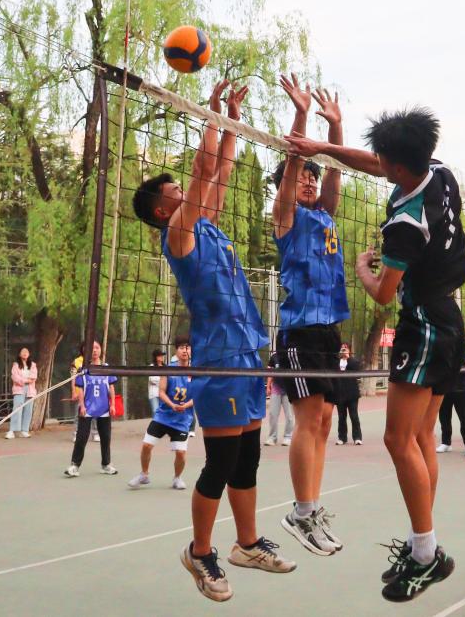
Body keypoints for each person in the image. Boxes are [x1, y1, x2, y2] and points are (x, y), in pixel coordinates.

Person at [286, 105, 465, 601]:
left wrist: (364, 268)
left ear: (397, 166)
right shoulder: (440, 174)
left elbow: (384, 293)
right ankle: (421, 543)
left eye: (383, 160)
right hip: (450, 320)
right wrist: (324, 147)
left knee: (397, 438)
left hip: (423, 325)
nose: (377, 163)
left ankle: (426, 555)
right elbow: (373, 162)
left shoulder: (405, 223)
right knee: (422, 436)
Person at [133, 81, 295, 602]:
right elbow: (204, 172)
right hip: (219, 358)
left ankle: (247, 544)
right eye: (172, 190)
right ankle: (200, 552)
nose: (181, 189)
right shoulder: (178, 234)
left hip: (248, 352)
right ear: (162, 210)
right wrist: (210, 116)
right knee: (221, 464)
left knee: (247, 458)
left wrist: (231, 119)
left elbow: (219, 171)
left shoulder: (207, 227)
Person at [272, 75, 349, 557]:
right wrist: (301, 116)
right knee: (307, 420)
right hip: (299, 330)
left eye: (311, 178)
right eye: (301, 175)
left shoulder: (325, 215)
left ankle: (313, 508)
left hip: (328, 329)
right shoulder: (287, 217)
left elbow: (334, 168)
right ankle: (300, 512)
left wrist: (335, 127)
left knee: (323, 421)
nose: (308, 181)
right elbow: (294, 164)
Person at [129, 336, 193, 490]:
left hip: (182, 419)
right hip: (163, 416)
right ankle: (144, 474)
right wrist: (172, 405)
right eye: (181, 347)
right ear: (176, 351)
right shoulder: (168, 369)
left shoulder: (196, 371)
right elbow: (161, 391)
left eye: (187, 347)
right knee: (146, 445)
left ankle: (177, 478)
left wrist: (186, 405)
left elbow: (199, 395)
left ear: (191, 350)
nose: (185, 350)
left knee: (181, 453)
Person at [64, 340, 118, 478]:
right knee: (81, 437)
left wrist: (112, 404)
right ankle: (74, 465)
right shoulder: (83, 369)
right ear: (86, 351)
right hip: (87, 408)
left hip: (104, 408)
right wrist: (82, 405)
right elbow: (81, 389)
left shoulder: (106, 368)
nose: (94, 350)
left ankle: (106, 464)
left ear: (101, 350)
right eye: (91, 348)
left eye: (97, 347)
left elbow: (111, 387)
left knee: (105, 438)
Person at [436, 324, 465, 453]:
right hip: (444, 386)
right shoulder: (441, 345)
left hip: (460, 387)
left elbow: (462, 362)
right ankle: (446, 442)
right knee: (444, 416)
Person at [334, 343, 363, 446]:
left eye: (345, 348)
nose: (343, 350)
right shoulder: (336, 362)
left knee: (354, 416)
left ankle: (357, 437)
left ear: (349, 350)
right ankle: (342, 438)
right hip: (340, 393)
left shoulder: (353, 361)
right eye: (342, 348)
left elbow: (357, 372)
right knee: (341, 417)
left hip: (352, 393)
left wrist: (348, 358)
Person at [70, 347, 100, 443]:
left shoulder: (97, 361)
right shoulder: (76, 361)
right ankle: (76, 433)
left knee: (95, 414)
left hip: (93, 392)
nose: (92, 350)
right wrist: (74, 391)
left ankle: (95, 433)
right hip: (80, 392)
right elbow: (73, 378)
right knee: (79, 414)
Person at [7, 347, 37, 439]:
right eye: (23, 351)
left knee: (28, 410)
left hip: (30, 389)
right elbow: (15, 377)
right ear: (19, 354)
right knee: (17, 409)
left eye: (26, 351)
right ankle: (12, 430)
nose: (25, 353)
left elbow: (33, 377)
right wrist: (25, 380)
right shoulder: (16, 365)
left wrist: (25, 380)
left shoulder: (33, 365)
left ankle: (24, 430)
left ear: (29, 354)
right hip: (19, 388)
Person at [266, 351, 294, 447]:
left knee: (289, 415)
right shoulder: (274, 357)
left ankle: (288, 437)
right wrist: (268, 386)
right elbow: (270, 372)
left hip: (289, 390)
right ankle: (272, 437)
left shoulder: (291, 356)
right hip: (276, 389)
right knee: (273, 414)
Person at [148, 349, 167, 416]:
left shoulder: (165, 367)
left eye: (162, 356)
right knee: (155, 411)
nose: (161, 357)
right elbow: (152, 379)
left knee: (163, 412)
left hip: (164, 394)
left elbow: (168, 379)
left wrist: (163, 381)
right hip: (154, 394)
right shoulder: (152, 366)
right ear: (155, 357)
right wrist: (163, 380)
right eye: (159, 356)